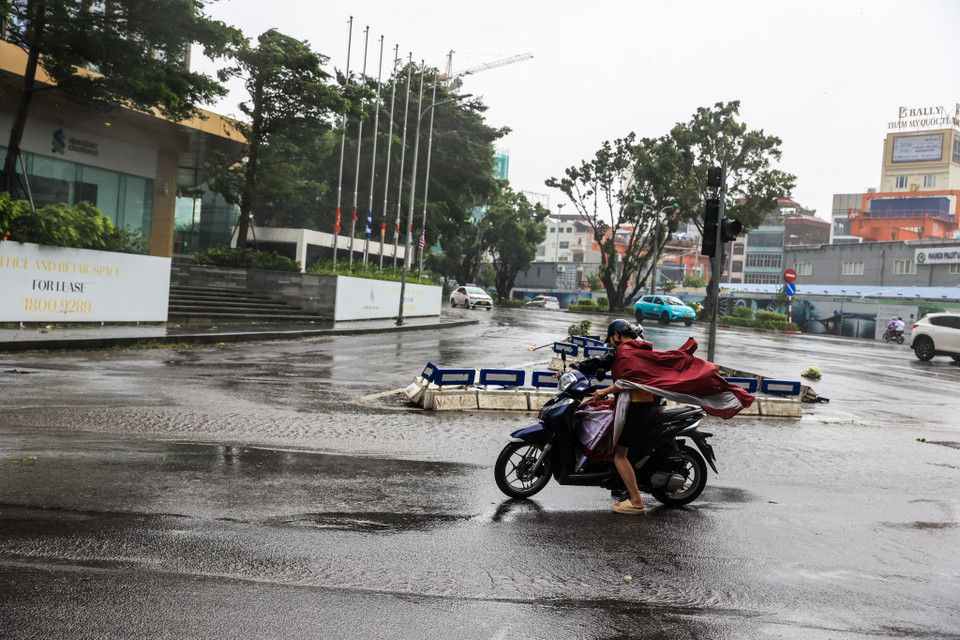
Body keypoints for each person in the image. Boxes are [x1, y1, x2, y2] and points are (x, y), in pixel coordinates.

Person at [572, 319, 659, 516]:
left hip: (636, 405)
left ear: (616, 336)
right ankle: (621, 485)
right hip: (640, 403)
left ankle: (636, 502)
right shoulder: (639, 347)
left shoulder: (627, 350)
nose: (612, 344)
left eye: (611, 340)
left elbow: (630, 381)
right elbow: (604, 363)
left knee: (619, 454)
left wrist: (605, 391)